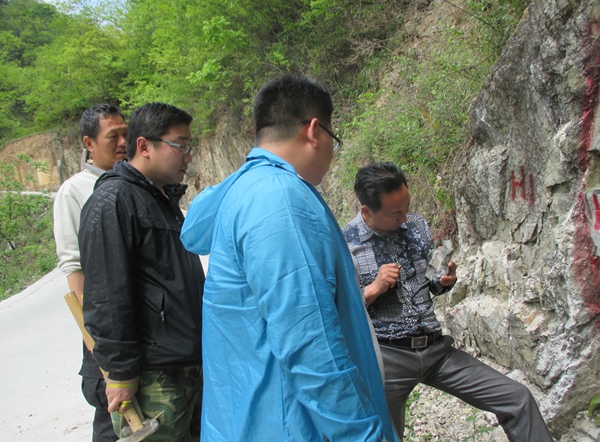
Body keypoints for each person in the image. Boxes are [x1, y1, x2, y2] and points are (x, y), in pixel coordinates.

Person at [180, 75, 398, 442]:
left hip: (247, 419)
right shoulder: (278, 199)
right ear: (314, 131)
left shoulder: (244, 190)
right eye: (333, 139)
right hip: (290, 425)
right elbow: (310, 344)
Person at [342, 162, 554, 442]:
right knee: (383, 436)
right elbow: (339, 312)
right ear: (367, 211)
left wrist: (443, 282)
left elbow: (428, 283)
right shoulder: (345, 244)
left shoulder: (416, 225)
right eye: (395, 213)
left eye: (407, 207)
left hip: (436, 349)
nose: (405, 217)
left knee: (517, 398)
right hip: (387, 356)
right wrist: (372, 290)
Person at [79, 102, 204, 441]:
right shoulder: (113, 201)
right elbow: (105, 296)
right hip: (152, 375)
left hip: (184, 366)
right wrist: (120, 372)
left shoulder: (161, 199)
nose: (188, 157)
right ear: (144, 146)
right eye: (180, 146)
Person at [53, 103, 128, 442]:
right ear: (89, 143)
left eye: (126, 133)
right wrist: (97, 341)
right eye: (113, 136)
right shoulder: (76, 191)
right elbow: (74, 267)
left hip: (136, 325)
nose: (123, 142)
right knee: (113, 416)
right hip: (104, 328)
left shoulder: (134, 181)